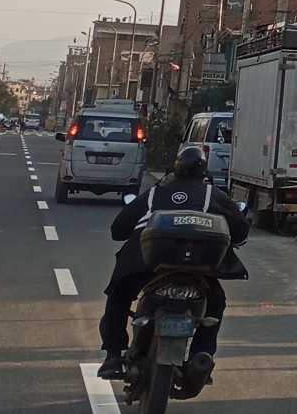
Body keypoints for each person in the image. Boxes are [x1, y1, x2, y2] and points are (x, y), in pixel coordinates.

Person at [97, 147, 249, 381]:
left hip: (147, 264)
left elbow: (118, 230)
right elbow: (240, 232)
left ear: (175, 168)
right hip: (198, 267)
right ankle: (201, 356)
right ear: (203, 171)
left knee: (119, 295)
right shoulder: (214, 195)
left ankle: (113, 356)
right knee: (216, 303)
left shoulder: (155, 193)